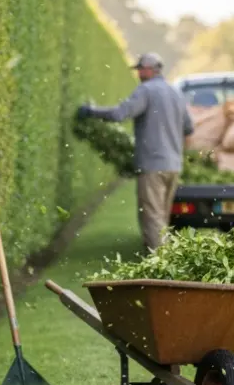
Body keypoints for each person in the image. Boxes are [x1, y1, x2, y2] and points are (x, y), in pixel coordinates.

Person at [77, 52, 194, 251]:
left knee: (151, 216)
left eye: (140, 69)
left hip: (153, 166)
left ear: (149, 69)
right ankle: (166, 261)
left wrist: (91, 111)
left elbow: (120, 114)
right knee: (162, 216)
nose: (138, 73)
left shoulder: (146, 91)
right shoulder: (176, 93)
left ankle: (160, 265)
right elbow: (189, 129)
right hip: (174, 166)